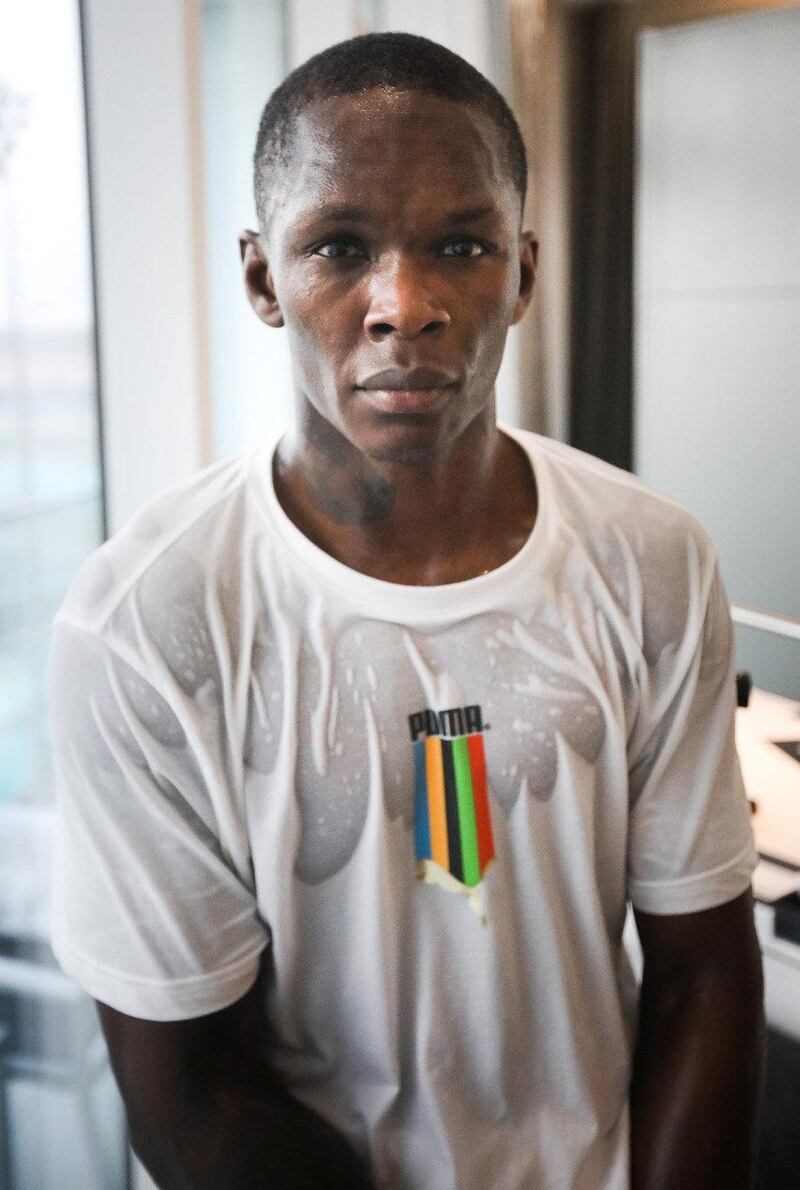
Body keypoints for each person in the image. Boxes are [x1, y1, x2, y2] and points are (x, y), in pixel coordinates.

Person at [49, 31, 764, 1190]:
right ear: (260, 277)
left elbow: (702, 974)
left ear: (523, 273)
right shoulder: (145, 622)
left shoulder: (650, 557)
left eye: (460, 244)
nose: (404, 304)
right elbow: (191, 1093)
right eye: (338, 245)